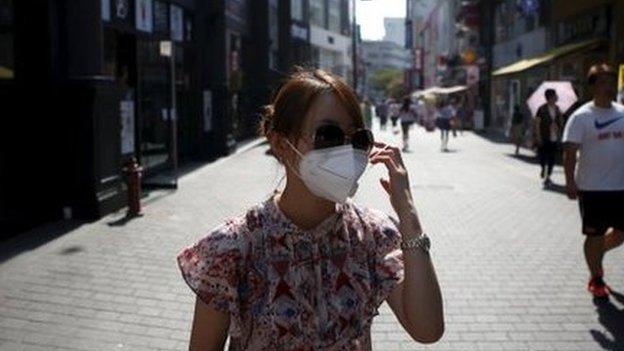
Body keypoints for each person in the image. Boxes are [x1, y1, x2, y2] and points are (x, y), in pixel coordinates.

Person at [176, 69, 444, 350]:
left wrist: (409, 216)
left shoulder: (373, 234)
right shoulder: (232, 248)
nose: (347, 151)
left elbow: (427, 329)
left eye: (358, 140)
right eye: (328, 135)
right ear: (281, 143)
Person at [562, 63, 624, 299]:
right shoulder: (582, 117)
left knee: (620, 233)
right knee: (594, 235)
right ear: (593, 87)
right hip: (592, 188)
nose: (609, 87)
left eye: (611, 82)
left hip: (620, 186)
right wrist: (570, 182)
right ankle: (596, 277)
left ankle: (597, 253)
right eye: (603, 83)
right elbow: (569, 152)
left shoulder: (622, 113)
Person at [533, 88, 563, 186]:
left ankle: (548, 176)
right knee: (542, 156)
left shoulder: (558, 109)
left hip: (554, 137)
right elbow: (537, 123)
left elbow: (561, 123)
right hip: (544, 136)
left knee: (552, 157)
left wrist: (557, 126)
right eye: (555, 95)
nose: (557, 97)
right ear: (550, 97)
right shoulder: (541, 109)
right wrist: (538, 137)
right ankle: (543, 168)